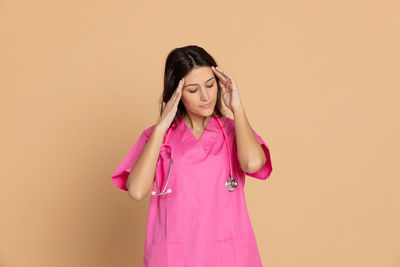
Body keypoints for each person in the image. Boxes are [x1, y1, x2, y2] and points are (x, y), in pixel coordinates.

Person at [111, 45, 273, 267]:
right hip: (177, 257)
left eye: (210, 85)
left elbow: (253, 164)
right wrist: (160, 128)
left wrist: (237, 108)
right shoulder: (158, 138)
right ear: (176, 94)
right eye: (193, 90)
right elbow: (137, 191)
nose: (205, 96)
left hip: (227, 257)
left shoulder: (233, 130)